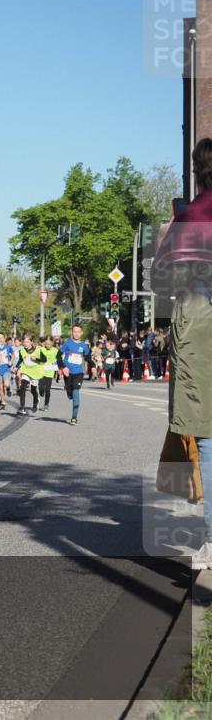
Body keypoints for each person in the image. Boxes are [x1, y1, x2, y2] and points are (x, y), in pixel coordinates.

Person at [152, 137, 212, 568]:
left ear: (196, 172)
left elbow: (162, 282)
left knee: (206, 433)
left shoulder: (190, 215)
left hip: (198, 317)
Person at [58, 323, 92, 425]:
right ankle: (69, 391)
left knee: (76, 392)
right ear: (72, 332)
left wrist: (93, 366)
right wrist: (63, 367)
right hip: (68, 373)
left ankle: (74, 417)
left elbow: (88, 358)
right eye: (74, 332)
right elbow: (58, 356)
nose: (76, 334)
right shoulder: (67, 343)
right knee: (70, 394)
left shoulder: (84, 346)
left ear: (81, 333)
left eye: (78, 332)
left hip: (78, 372)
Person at [16, 334, 44, 416]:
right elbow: (21, 360)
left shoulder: (38, 350)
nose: (25, 343)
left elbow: (44, 359)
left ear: (31, 342)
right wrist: (16, 367)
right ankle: (22, 407)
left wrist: (36, 359)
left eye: (27, 342)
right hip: (26, 371)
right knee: (22, 387)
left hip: (35, 372)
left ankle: (36, 401)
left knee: (33, 390)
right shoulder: (21, 350)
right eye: (24, 342)